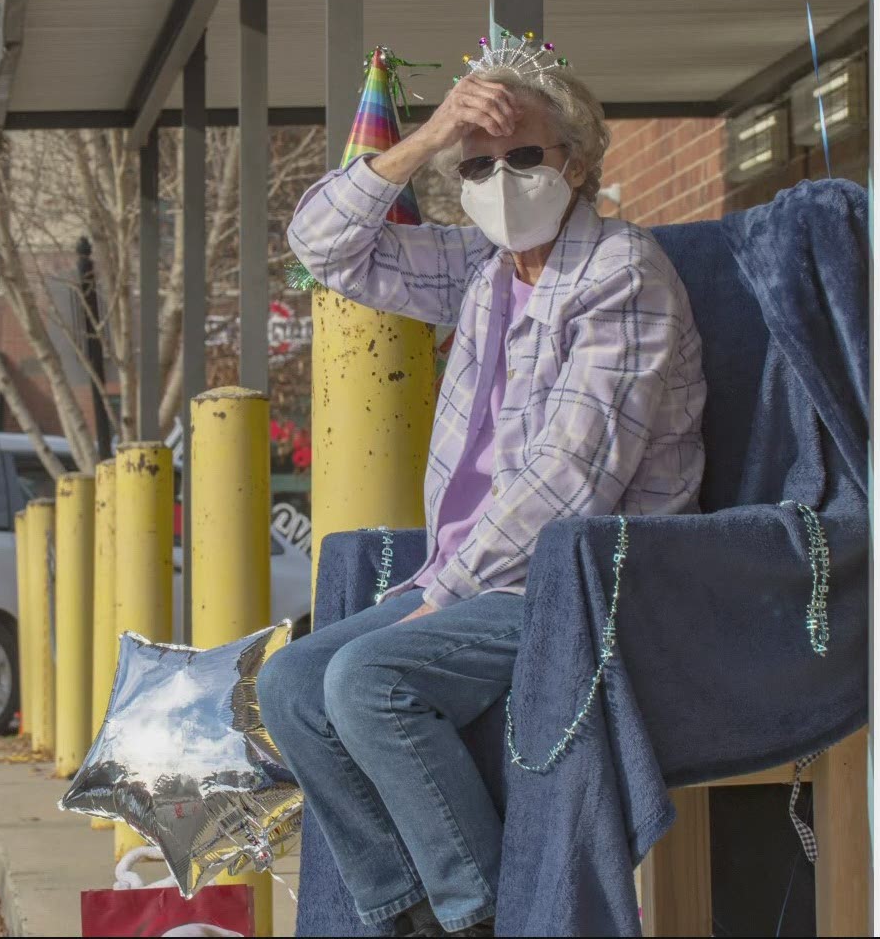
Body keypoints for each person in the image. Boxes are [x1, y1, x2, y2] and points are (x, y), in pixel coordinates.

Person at [256, 52, 708, 937]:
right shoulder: (481, 267)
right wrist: (428, 136)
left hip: (588, 583)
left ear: (575, 162)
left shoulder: (621, 274)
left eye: (525, 157)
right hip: (481, 577)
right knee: (289, 687)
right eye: (477, 164)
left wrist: (443, 595)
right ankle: (409, 916)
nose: (502, 181)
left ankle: (488, 917)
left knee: (369, 682)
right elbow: (320, 245)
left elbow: (571, 483)